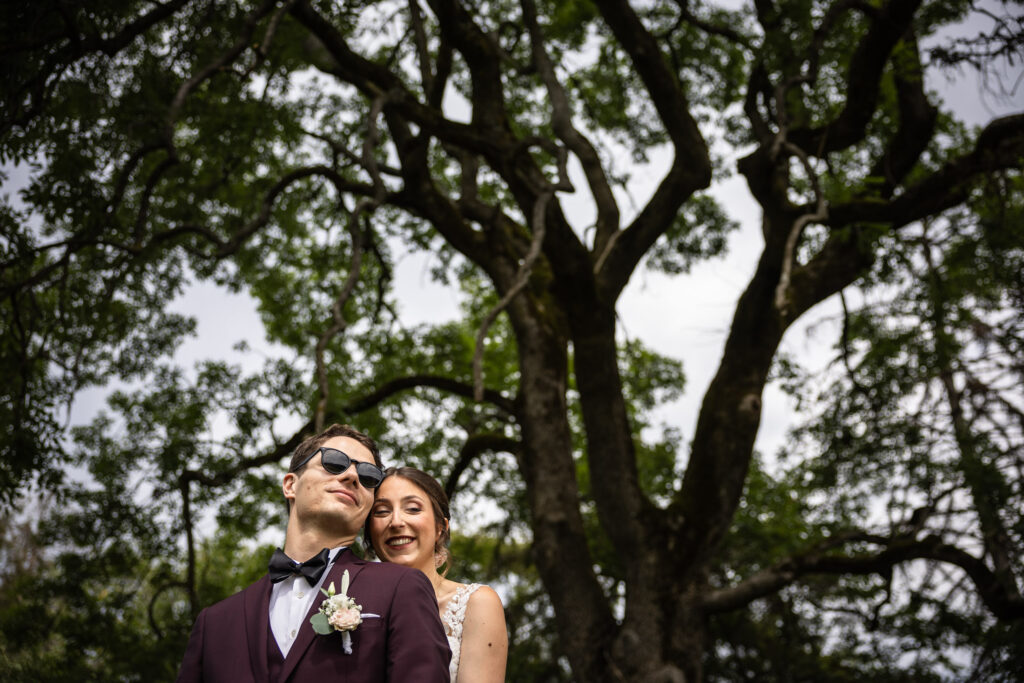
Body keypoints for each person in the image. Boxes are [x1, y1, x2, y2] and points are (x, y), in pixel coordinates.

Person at [176, 424, 451, 682]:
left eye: (368, 476)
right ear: (290, 485)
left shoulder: (402, 588)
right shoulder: (213, 623)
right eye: (334, 462)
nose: (352, 476)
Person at [366, 467, 508, 683]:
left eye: (412, 509)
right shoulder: (356, 603)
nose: (396, 522)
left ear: (441, 527)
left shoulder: (476, 603)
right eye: (382, 511)